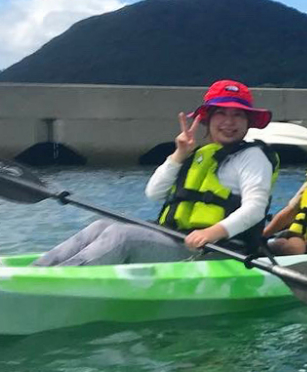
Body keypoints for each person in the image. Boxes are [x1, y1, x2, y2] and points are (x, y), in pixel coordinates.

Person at [32, 80, 278, 267]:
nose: (229, 121)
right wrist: (179, 154)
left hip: (222, 249)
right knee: (100, 226)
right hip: (180, 238)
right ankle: (38, 271)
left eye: (238, 114)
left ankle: (43, 284)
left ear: (248, 121)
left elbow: (254, 209)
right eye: (221, 113)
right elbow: (154, 193)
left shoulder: (253, 157)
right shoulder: (198, 154)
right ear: (208, 119)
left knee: (121, 236)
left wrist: (210, 233)